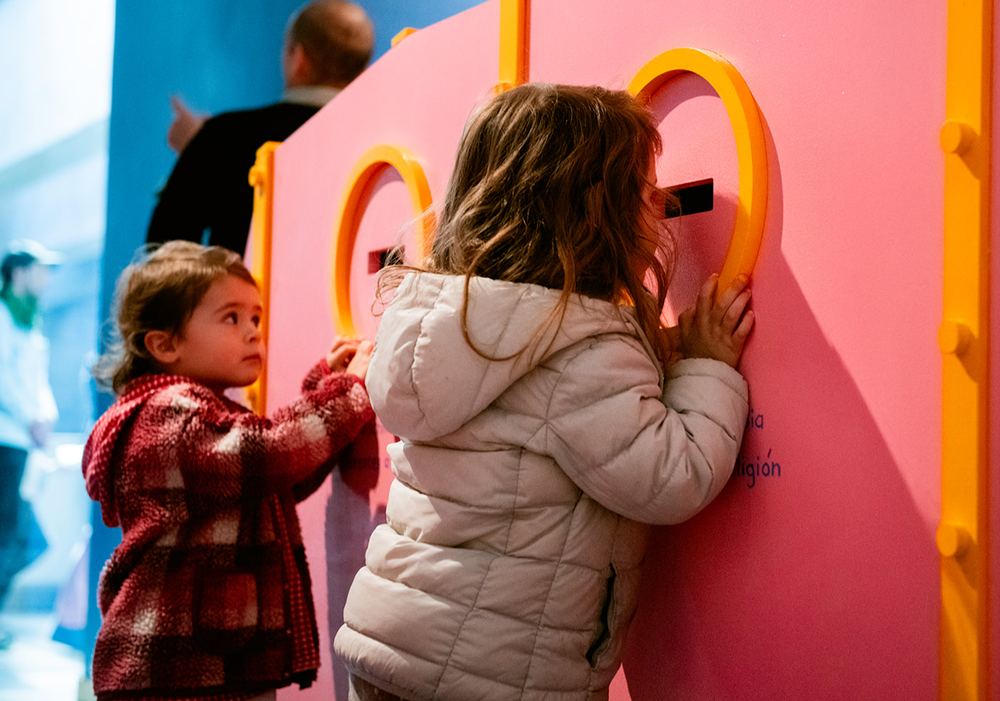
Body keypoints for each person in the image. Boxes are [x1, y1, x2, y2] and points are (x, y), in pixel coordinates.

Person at [333, 83, 755, 701]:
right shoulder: (578, 345)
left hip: (392, 645)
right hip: (491, 676)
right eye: (643, 190)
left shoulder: (449, 320)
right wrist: (706, 365)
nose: (663, 205)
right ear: (592, 210)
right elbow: (670, 475)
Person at [82, 241, 375, 701]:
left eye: (256, 317)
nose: (254, 333)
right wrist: (347, 393)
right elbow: (268, 455)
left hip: (214, 662)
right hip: (177, 666)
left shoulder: (206, 413)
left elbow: (276, 483)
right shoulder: (168, 414)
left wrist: (323, 387)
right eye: (232, 318)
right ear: (165, 344)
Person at [146, 0, 375, 254]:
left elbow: (164, 251)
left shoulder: (224, 138)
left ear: (298, 60)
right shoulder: (377, 141)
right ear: (362, 69)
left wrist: (197, 149)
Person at [0, 239, 61, 647]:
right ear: (19, 273)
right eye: (40, 268)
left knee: (22, 537)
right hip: (6, 441)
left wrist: (46, 416)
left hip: (24, 444)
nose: (46, 277)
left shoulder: (31, 320)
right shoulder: (4, 317)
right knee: (14, 535)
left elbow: (37, 381)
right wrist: (31, 417)